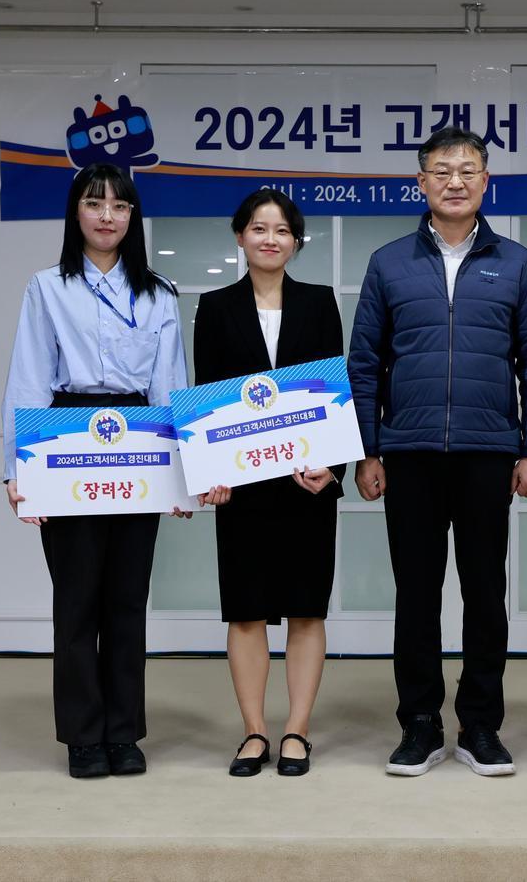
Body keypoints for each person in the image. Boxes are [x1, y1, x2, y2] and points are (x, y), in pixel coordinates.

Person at [348, 126, 527, 777]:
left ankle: (481, 724)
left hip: (489, 451)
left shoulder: (517, 264)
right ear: (422, 183)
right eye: (442, 170)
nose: (455, 181)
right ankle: (418, 722)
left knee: (485, 593)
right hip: (407, 452)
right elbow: (364, 365)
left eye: (467, 170)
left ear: (485, 181)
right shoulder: (388, 263)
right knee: (416, 593)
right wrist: (366, 450)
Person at [2, 162, 198, 779]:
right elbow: (28, 379)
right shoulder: (47, 287)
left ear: (133, 217)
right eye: (95, 204)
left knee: (126, 598)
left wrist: (183, 470)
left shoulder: (158, 292)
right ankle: (83, 736)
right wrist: (18, 469)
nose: (107, 216)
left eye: (119, 206)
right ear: (76, 213)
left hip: (140, 440)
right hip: (65, 438)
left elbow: (171, 384)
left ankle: (124, 732)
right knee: (77, 599)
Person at [192, 188, 346, 778]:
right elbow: (207, 397)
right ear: (240, 236)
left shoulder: (320, 301)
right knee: (246, 610)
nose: (270, 239)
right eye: (259, 228)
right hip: (243, 486)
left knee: (307, 609)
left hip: (307, 482)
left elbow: (336, 388)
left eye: (282, 230)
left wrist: (330, 466)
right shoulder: (215, 305)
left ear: (296, 241)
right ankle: (254, 731)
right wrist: (212, 472)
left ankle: (297, 730)